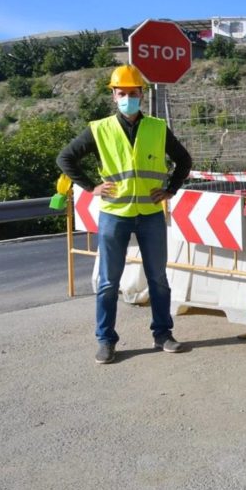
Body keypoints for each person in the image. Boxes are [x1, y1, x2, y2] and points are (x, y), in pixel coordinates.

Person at [57, 64, 192, 364]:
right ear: (114, 96)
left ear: (141, 95)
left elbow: (184, 160)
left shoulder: (157, 127)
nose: (128, 97)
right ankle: (106, 341)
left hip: (150, 213)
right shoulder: (99, 129)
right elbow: (65, 158)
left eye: (133, 93)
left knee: (158, 278)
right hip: (114, 214)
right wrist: (91, 187)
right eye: (122, 93)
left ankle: (162, 335)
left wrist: (170, 190)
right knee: (108, 281)